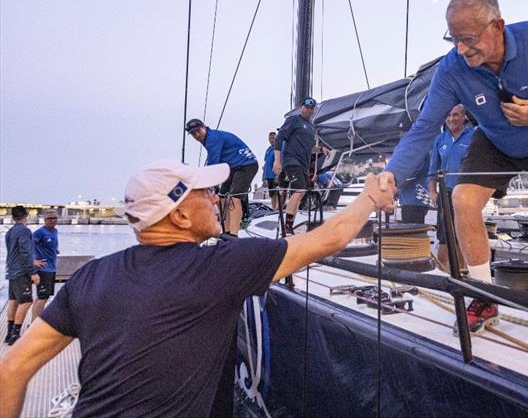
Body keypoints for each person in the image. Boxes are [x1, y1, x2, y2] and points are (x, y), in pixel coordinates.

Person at [0, 160, 395, 416]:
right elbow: (328, 239)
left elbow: (11, 370)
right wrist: (369, 199)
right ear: (181, 215)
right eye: (205, 192)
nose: (216, 198)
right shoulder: (219, 267)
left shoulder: (90, 277)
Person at [380, 0, 528, 343]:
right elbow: (423, 130)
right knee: (462, 198)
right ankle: (484, 295)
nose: (461, 50)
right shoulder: (451, 70)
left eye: (468, 39)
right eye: (454, 40)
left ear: (497, 26)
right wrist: (389, 177)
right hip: (496, 138)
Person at [185, 118, 258, 235]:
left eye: (198, 131)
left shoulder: (212, 138)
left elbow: (213, 165)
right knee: (222, 198)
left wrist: (207, 185)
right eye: (193, 133)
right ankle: (227, 231)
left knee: (234, 199)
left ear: (204, 127)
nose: (197, 135)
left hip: (246, 165)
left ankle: (234, 234)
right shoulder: (208, 138)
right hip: (232, 167)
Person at [428, 104, 473, 269]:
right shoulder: (440, 140)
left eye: (455, 115)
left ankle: (463, 274)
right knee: (444, 237)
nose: (451, 119)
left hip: (466, 193)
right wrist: (432, 191)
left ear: (464, 117)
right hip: (445, 193)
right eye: (448, 116)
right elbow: (433, 168)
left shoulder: (473, 136)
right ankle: (441, 274)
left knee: (462, 236)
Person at [274, 97, 326, 234]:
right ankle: (287, 227)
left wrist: (320, 149)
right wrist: (277, 161)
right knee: (299, 191)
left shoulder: (311, 127)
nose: (309, 110)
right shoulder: (293, 120)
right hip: (291, 160)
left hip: (303, 164)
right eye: (306, 107)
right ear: (301, 107)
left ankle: (289, 225)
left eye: (311, 108)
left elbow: (310, 147)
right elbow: (280, 138)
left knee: (300, 193)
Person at [4, 206, 39, 346]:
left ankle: (9, 332)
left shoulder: (10, 231)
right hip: (21, 271)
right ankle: (15, 335)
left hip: (11, 270)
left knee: (13, 300)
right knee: (26, 301)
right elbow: (25, 252)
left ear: (13, 217)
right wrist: (33, 272)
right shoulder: (25, 231)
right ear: (26, 215)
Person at [31, 209, 60, 320]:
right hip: (43, 268)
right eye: (50, 218)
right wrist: (33, 261)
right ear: (45, 220)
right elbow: (28, 246)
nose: (53, 220)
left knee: (43, 297)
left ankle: (34, 322)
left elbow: (53, 243)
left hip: (52, 267)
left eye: (55, 218)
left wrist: (56, 250)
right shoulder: (40, 232)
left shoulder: (55, 231)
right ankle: (35, 323)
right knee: (43, 297)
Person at [263, 131, 280, 211]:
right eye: (270, 138)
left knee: (277, 193)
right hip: (268, 175)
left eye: (273, 138)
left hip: (275, 175)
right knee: (272, 194)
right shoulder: (268, 149)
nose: (271, 140)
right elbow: (266, 161)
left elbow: (280, 161)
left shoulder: (277, 149)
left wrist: (278, 175)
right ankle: (274, 209)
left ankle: (277, 209)